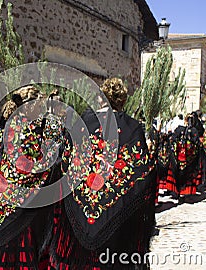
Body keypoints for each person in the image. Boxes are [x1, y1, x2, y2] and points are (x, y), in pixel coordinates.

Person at [49, 78, 156, 269]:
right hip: (119, 211)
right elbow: (144, 172)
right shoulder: (133, 127)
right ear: (122, 101)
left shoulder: (82, 123)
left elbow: (67, 160)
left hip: (83, 204)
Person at [0, 86, 64, 269]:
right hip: (21, 201)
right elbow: (47, 160)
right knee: (20, 250)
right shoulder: (32, 129)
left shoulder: (5, 125)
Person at [170, 114, 202, 197]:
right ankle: (186, 192)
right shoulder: (194, 131)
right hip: (190, 157)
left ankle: (178, 191)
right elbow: (197, 144)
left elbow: (173, 140)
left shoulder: (179, 129)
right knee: (188, 173)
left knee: (180, 173)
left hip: (180, 157)